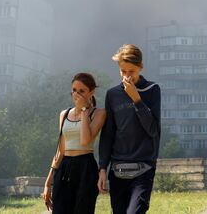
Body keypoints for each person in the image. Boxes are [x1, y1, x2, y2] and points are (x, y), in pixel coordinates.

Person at [98, 44, 161, 214]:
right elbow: (108, 133)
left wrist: (137, 100)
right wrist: (102, 168)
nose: (127, 76)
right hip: (117, 169)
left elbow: (153, 130)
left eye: (131, 71)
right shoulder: (112, 95)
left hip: (144, 168)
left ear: (140, 67)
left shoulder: (152, 90)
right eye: (123, 71)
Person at [43, 73, 106, 213]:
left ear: (91, 92)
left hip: (85, 167)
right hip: (64, 167)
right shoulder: (64, 114)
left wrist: (83, 109)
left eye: (82, 91)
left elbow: (85, 141)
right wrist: (48, 183)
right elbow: (61, 149)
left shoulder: (99, 113)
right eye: (74, 90)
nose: (76, 94)